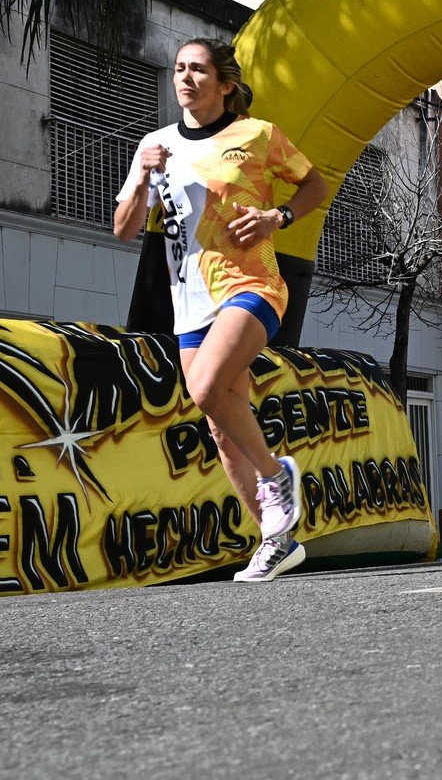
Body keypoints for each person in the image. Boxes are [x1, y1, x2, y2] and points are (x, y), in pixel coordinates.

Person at [114, 38, 328, 582]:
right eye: (179, 69)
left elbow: (315, 185)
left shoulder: (258, 135)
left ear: (225, 84)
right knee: (219, 424)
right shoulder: (155, 143)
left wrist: (276, 217)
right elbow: (124, 229)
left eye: (199, 70)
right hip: (190, 302)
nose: (185, 77)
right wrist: (140, 175)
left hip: (253, 285)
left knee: (206, 387)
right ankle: (277, 539)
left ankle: (276, 472)